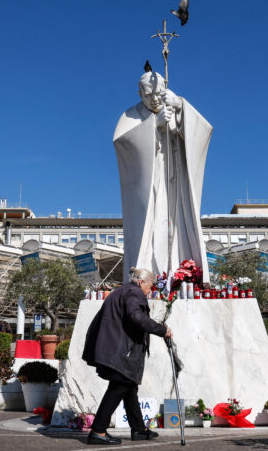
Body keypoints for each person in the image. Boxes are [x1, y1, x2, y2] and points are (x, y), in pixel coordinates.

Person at [114, 70, 212, 284]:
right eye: (148, 95)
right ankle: (145, 278)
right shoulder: (130, 116)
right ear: (139, 93)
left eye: (158, 92)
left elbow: (204, 131)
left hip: (177, 184)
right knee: (148, 233)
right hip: (149, 189)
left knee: (179, 228)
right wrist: (153, 125)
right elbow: (122, 144)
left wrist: (181, 108)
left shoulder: (175, 104)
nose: (154, 98)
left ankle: (183, 274)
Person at [82, 268, 172, 445]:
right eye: (150, 286)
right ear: (141, 282)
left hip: (116, 348)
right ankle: (98, 431)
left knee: (129, 387)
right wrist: (161, 330)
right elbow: (136, 316)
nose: (150, 290)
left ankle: (138, 429)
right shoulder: (134, 292)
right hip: (119, 350)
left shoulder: (122, 291)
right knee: (119, 387)